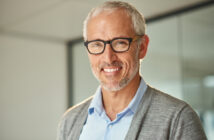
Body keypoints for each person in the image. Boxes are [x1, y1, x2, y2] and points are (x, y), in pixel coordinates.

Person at [57, 1, 207, 140]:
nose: (108, 58)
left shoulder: (178, 118)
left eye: (120, 43)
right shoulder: (70, 121)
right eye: (97, 44)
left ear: (142, 47)